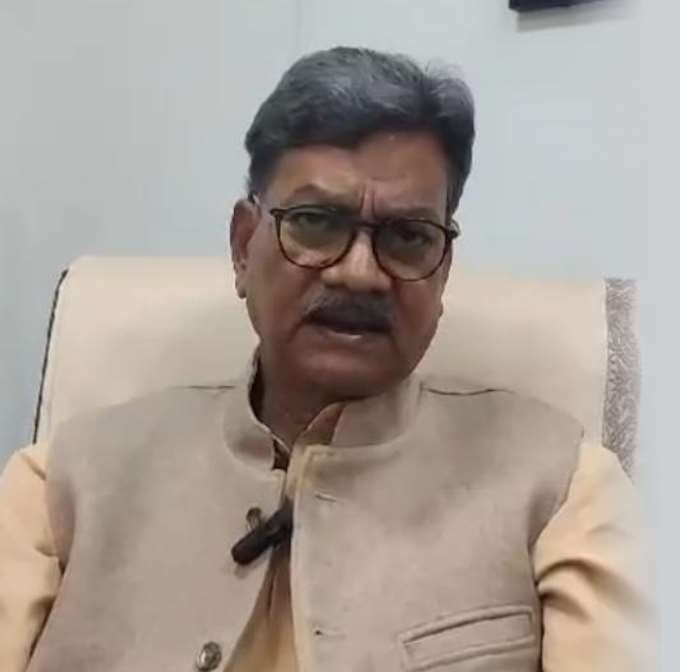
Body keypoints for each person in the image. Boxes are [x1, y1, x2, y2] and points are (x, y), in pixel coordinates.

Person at [0, 47, 654, 672]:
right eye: (315, 222)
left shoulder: (564, 489)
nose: (361, 274)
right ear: (243, 246)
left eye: (408, 236)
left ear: (444, 268)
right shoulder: (59, 485)